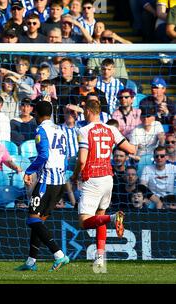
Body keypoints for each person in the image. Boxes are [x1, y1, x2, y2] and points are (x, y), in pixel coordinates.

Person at [70, 100, 136, 269]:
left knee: (84, 222)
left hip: (92, 179)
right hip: (108, 178)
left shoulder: (84, 130)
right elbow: (131, 150)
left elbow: (82, 159)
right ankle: (100, 258)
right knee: (99, 216)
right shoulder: (112, 129)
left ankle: (114, 218)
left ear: (88, 111)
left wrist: (75, 175)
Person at [15, 101, 70, 272]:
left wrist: (29, 171)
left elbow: (44, 154)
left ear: (38, 115)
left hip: (47, 181)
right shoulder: (61, 130)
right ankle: (31, 262)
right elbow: (65, 156)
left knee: (32, 219)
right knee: (38, 220)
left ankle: (59, 254)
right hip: (60, 181)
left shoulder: (40, 130)